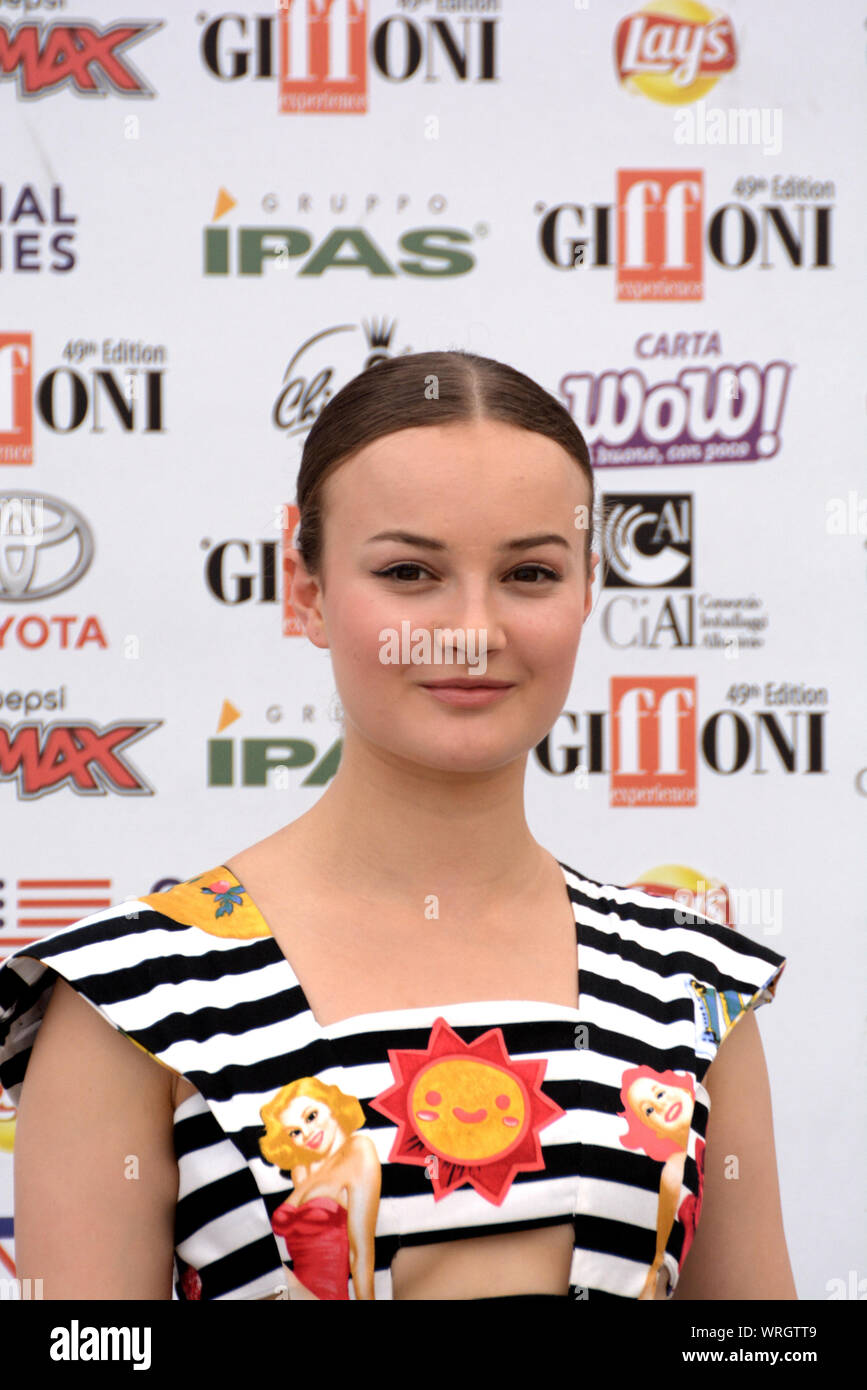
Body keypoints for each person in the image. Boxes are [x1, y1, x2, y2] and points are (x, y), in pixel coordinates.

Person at [0, 350, 795, 1301]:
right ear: (305, 590)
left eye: (529, 572)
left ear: (589, 587)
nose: (468, 628)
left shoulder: (690, 985)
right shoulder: (132, 1001)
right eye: (410, 571)